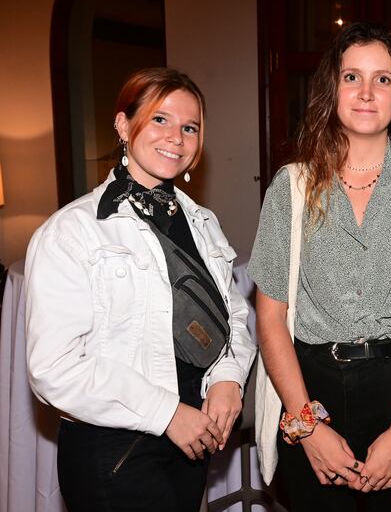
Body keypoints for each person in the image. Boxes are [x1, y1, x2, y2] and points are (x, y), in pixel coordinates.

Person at [248, 21, 391, 511]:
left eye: (383, 79)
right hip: (311, 388)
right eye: (352, 77)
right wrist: (308, 427)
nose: (366, 92)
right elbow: (270, 318)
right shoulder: (290, 188)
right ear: (332, 90)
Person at [25, 68, 256, 511]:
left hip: (192, 438)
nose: (176, 138)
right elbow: (53, 367)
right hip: (114, 451)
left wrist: (228, 378)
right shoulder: (72, 231)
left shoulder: (203, 222)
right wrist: (166, 413)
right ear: (123, 124)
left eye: (190, 127)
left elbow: (234, 315)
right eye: (160, 119)